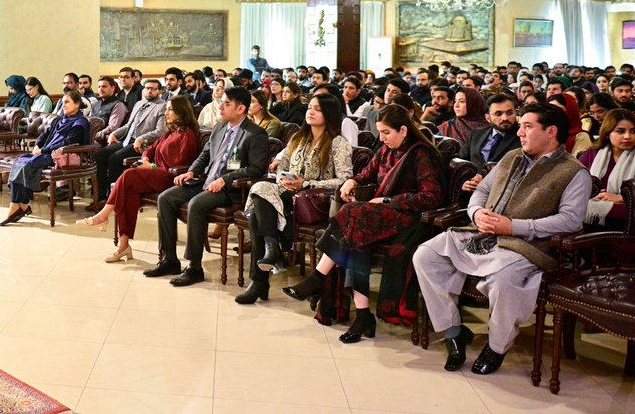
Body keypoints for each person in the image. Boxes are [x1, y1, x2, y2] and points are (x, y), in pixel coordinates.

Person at [413, 104, 589, 375]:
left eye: (527, 127)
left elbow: (570, 221)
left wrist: (514, 226)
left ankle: (496, 348)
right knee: (426, 255)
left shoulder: (574, 172)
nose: (519, 132)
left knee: (503, 281)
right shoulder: (511, 157)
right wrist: (477, 212)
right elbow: (481, 191)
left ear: (551, 132)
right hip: (482, 234)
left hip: (527, 246)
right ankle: (453, 332)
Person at [284, 104, 443, 339]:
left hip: (408, 216)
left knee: (352, 215)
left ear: (404, 130)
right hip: (378, 215)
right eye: (380, 132)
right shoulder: (386, 150)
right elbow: (366, 174)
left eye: (387, 132)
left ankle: (318, 278)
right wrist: (352, 182)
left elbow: (431, 196)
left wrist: (389, 200)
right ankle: (362, 316)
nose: (382, 138)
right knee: (354, 240)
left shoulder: (421, 153)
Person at [144, 86, 270, 287]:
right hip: (207, 180)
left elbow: (255, 169)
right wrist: (192, 171)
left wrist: (226, 180)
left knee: (196, 204)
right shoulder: (220, 128)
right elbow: (205, 154)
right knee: (166, 198)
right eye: (221, 102)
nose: (220, 106)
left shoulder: (255, 134)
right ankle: (169, 259)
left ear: (241, 109)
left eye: (227, 104)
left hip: (233, 189)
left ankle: (194, 267)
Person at [237, 93, 353, 304]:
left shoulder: (338, 143)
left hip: (314, 199)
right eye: (310, 107)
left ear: (329, 114)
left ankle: (261, 278)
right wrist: (284, 178)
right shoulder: (298, 138)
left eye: (317, 109)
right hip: (288, 194)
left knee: (259, 201)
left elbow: (344, 180)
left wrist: (306, 184)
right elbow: (283, 167)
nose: (311, 111)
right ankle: (271, 250)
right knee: (259, 199)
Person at [78, 96, 201, 262]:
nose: (166, 112)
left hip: (170, 178)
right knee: (128, 192)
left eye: (170, 109)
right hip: (156, 174)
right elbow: (150, 149)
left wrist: (153, 167)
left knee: (128, 175)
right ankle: (124, 246)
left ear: (181, 112)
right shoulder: (170, 132)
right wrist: (145, 159)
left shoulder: (188, 135)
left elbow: (179, 166)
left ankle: (103, 215)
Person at [0, 91, 91, 226]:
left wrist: (43, 150)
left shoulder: (80, 122)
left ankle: (18, 205)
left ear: (77, 104)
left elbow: (67, 143)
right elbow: (44, 135)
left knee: (27, 165)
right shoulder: (61, 119)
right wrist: (37, 145)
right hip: (47, 153)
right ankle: (22, 206)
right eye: (62, 102)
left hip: (61, 156)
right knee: (19, 161)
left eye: (67, 102)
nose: (63, 105)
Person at [577, 109, 635, 230]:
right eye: (620, 131)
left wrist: (623, 198)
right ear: (607, 133)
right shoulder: (593, 153)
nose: (628, 137)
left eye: (633, 131)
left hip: (630, 217)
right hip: (592, 209)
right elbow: (575, 183)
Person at [91, 79, 167, 209]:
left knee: (115, 158)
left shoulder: (162, 106)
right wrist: (114, 134)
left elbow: (161, 131)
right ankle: (101, 196)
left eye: (154, 89)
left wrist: (141, 139)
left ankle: (114, 198)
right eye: (147, 88)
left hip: (143, 145)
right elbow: (128, 126)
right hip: (127, 140)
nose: (150, 91)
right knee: (100, 155)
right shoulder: (139, 103)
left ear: (160, 91)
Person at [457, 94, 521, 193]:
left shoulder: (523, 137)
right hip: (470, 192)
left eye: (509, 113)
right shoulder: (477, 134)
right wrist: (463, 181)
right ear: (487, 118)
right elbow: (460, 161)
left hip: (503, 193)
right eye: (498, 114)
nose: (505, 118)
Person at [546, 92, 591, 157]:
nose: (552, 114)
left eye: (558, 109)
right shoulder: (544, 133)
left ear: (570, 111)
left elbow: (577, 165)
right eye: (549, 110)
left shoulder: (580, 137)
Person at [92, 76, 129, 142]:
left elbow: (113, 128)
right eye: (99, 87)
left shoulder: (118, 105)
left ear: (112, 88)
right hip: (91, 138)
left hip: (105, 141)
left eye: (104, 86)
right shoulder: (96, 104)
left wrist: (94, 136)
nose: (101, 89)